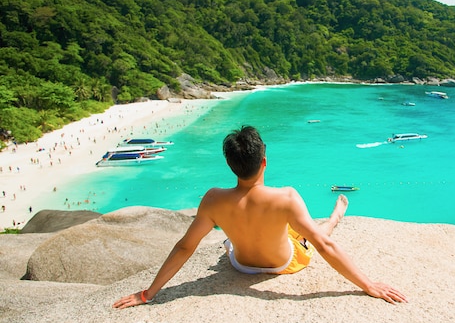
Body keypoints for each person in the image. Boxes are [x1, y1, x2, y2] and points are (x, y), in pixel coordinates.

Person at [113, 126, 406, 309]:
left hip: (240, 265)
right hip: (283, 263)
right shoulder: (285, 197)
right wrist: (368, 285)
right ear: (264, 161)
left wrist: (148, 294)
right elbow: (324, 246)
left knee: (232, 238)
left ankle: (329, 219)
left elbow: (185, 247)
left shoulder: (213, 198)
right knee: (312, 232)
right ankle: (336, 217)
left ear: (230, 165)